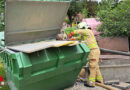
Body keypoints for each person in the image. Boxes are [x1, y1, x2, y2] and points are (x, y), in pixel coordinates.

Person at [68, 22, 103, 87]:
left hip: (93, 51)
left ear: (83, 28)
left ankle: (91, 83)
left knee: (92, 67)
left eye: (81, 28)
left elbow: (80, 31)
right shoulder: (86, 34)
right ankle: (99, 80)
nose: (81, 30)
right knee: (95, 66)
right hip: (93, 51)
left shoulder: (88, 31)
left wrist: (72, 33)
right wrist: (73, 38)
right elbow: (80, 37)